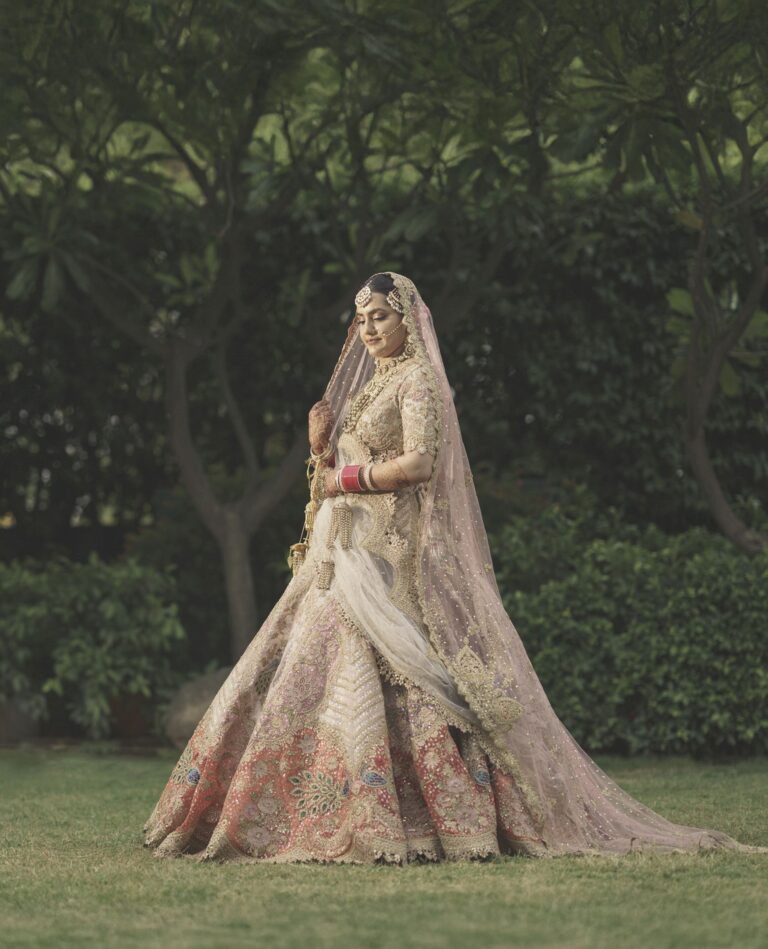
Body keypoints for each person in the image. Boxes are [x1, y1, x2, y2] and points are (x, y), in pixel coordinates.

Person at [142, 271, 767, 864]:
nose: (369, 329)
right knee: (303, 666)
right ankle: (280, 814)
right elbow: (339, 469)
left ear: (407, 319)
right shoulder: (373, 383)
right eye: (361, 320)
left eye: (380, 317)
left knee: (384, 670)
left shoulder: (417, 382)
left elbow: (418, 465)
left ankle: (417, 818)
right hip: (345, 551)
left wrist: (345, 478)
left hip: (386, 559)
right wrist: (319, 447)